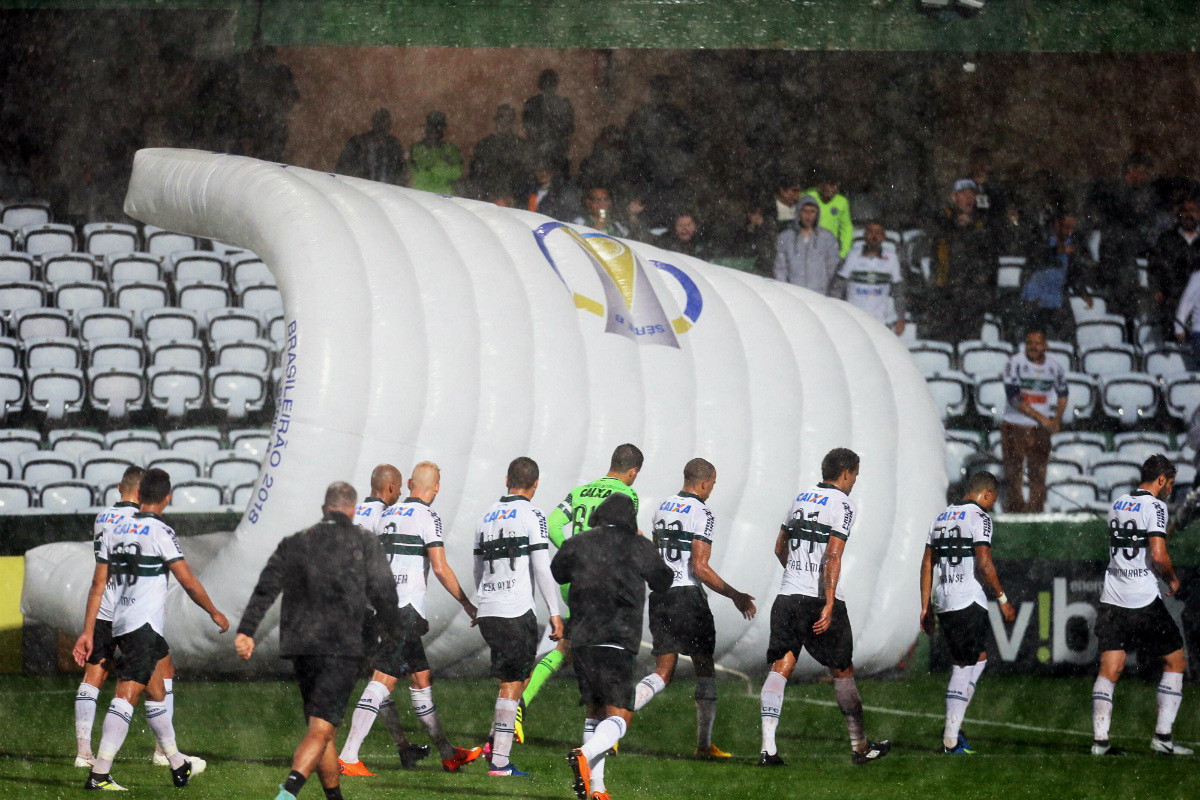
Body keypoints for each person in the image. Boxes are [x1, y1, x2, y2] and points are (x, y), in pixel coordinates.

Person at [235, 482, 409, 800]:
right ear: (353, 510)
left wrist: (247, 630)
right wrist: (394, 631)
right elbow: (385, 593)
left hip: (301, 645)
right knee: (321, 728)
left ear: (323, 509)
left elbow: (267, 586)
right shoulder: (364, 542)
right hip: (340, 646)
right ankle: (287, 794)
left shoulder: (297, 542)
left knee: (322, 726)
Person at [75, 468, 228, 791]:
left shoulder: (114, 528)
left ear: (138, 494)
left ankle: (177, 763)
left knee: (158, 690)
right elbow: (187, 581)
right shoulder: (161, 531)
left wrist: (88, 631)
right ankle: (99, 774)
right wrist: (214, 612)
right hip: (141, 625)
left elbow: (97, 584)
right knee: (126, 695)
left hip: (120, 620)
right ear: (167, 498)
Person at [336, 461, 481, 776]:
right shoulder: (427, 516)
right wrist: (467, 603)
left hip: (382, 608)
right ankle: (348, 756)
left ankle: (447, 753)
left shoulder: (387, 513)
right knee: (382, 680)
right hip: (404, 610)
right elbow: (440, 567)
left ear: (412, 482)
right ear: (437, 487)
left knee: (420, 678)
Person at [758, 448, 890, 767]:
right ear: (845, 473)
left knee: (781, 666)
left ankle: (767, 748)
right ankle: (859, 746)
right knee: (842, 670)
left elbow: (779, 546)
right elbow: (832, 556)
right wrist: (828, 601)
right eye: (855, 475)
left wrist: (795, 574)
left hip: (787, 595)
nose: (855, 481)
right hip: (818, 597)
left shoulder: (800, 498)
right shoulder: (843, 504)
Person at [517, 444, 644, 742]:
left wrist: (575, 553)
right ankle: (603, 731)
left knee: (569, 646)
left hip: (572, 579)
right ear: (633, 472)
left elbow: (551, 525)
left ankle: (526, 701)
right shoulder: (628, 495)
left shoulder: (581, 491)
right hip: (601, 583)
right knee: (603, 649)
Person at [631, 458, 756, 759]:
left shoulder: (662, 507)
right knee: (704, 668)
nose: (712, 489)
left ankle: (614, 718)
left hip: (660, 595)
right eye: (713, 484)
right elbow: (699, 567)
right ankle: (703, 746)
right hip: (687, 596)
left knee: (663, 671)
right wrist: (735, 595)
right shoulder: (702, 512)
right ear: (703, 483)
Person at [554, 493, 674, 800]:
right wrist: (646, 548)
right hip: (617, 639)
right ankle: (584, 754)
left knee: (595, 712)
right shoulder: (636, 544)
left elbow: (558, 571)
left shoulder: (581, 541)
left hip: (582, 638)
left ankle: (597, 788)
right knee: (620, 715)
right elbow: (663, 580)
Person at [1092, 455, 1191, 757]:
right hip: (1142, 599)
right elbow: (1158, 555)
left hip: (1112, 599)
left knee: (1110, 669)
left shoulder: (1118, 502)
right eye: (1170, 484)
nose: (1170, 490)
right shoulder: (1156, 506)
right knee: (1176, 662)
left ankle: (1100, 742)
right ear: (1160, 479)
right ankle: (1162, 737)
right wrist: (1173, 581)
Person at [472, 457, 564, 776]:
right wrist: (555, 612)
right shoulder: (532, 514)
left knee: (515, 679)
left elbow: (477, 567)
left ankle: (493, 743)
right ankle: (499, 762)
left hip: (489, 609)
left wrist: (482, 600)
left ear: (507, 478)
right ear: (535, 484)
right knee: (513, 684)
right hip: (515, 609)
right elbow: (541, 566)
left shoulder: (485, 515)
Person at [337, 464, 431, 772]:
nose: (401, 493)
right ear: (389, 488)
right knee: (382, 679)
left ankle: (403, 747)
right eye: (399, 488)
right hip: (369, 610)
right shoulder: (383, 517)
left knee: (379, 678)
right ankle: (347, 754)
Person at [919, 471, 1016, 754]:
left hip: (944, 599)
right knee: (963, 665)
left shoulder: (940, 517)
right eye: (992, 499)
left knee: (978, 659)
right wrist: (1002, 598)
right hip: (967, 599)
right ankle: (950, 739)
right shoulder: (979, 518)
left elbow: (927, 565)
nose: (991, 505)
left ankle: (955, 722)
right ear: (985, 494)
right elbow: (984, 563)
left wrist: (925, 606)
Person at [1000, 328, 1068, 513]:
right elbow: (1014, 398)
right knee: (1014, 474)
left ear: (1045, 345)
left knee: (1038, 474)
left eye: (1037, 343)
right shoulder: (1015, 363)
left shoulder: (1054, 367)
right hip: (1015, 425)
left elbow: (1063, 394)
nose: (1033, 347)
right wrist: (1044, 419)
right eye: (1029, 342)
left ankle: (1035, 513)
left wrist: (1056, 419)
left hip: (1039, 430)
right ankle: (1016, 513)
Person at [926, 178, 997, 344]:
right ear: (954, 197)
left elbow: (990, 250)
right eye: (964, 194)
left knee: (970, 341)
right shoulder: (943, 217)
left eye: (972, 195)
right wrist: (955, 224)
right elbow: (933, 230)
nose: (969, 198)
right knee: (943, 340)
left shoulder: (984, 221)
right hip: (945, 292)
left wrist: (971, 225)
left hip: (973, 294)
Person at [1020, 208, 1095, 340]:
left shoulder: (1073, 243)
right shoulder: (1041, 236)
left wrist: (1082, 292)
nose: (1069, 232)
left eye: (1072, 228)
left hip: (1058, 297)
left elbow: (1074, 274)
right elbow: (1035, 257)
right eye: (1066, 227)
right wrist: (1057, 251)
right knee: (1034, 336)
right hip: (1036, 296)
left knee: (1069, 335)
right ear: (1056, 224)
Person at [831, 221, 907, 334]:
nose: (874, 236)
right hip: (853, 319)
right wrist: (833, 312)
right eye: (871, 232)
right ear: (864, 235)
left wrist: (901, 318)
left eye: (878, 232)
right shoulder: (853, 255)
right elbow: (837, 288)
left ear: (884, 236)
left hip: (880, 321)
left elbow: (898, 292)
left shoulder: (891, 258)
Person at [1150, 196, 1200, 338]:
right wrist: (1156, 288)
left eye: (1193, 210)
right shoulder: (1166, 239)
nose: (1188, 214)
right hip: (1172, 302)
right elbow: (1154, 266)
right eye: (1184, 211)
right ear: (1179, 214)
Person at [773, 193, 841, 294]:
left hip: (818, 294)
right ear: (798, 212)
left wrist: (826, 288)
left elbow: (832, 267)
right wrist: (784, 291)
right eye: (805, 211)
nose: (808, 215)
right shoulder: (786, 237)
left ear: (817, 214)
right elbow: (780, 267)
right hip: (793, 294)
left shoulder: (827, 238)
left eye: (812, 211)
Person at [468, 104, 531, 202]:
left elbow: (526, 176)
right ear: (495, 121)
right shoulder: (484, 145)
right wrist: (488, 196)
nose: (504, 123)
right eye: (501, 118)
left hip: (514, 202)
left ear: (513, 122)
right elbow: (476, 176)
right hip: (488, 200)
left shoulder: (521, 146)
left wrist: (514, 197)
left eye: (508, 120)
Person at [522, 69, 575, 180]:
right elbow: (528, 128)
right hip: (537, 155)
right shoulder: (532, 104)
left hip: (558, 155)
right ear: (541, 84)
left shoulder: (564, 104)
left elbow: (569, 129)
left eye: (551, 82)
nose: (549, 85)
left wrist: (554, 140)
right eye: (546, 82)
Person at [335, 108, 408, 186]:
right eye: (379, 122)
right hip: (361, 190)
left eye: (385, 124)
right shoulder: (358, 143)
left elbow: (402, 176)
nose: (382, 127)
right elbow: (342, 169)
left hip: (386, 193)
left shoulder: (394, 147)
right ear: (373, 123)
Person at [409, 111, 463, 195]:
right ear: (426, 128)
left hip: (445, 196)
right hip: (420, 195)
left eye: (437, 128)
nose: (434, 131)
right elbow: (419, 174)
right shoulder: (416, 149)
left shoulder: (452, 150)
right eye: (431, 127)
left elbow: (457, 173)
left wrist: (432, 169)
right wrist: (442, 169)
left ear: (443, 130)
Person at [807, 173, 853, 258]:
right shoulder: (808, 197)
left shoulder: (842, 202)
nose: (834, 189)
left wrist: (843, 253)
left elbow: (846, 228)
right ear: (821, 185)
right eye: (831, 185)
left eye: (836, 186)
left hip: (829, 249)